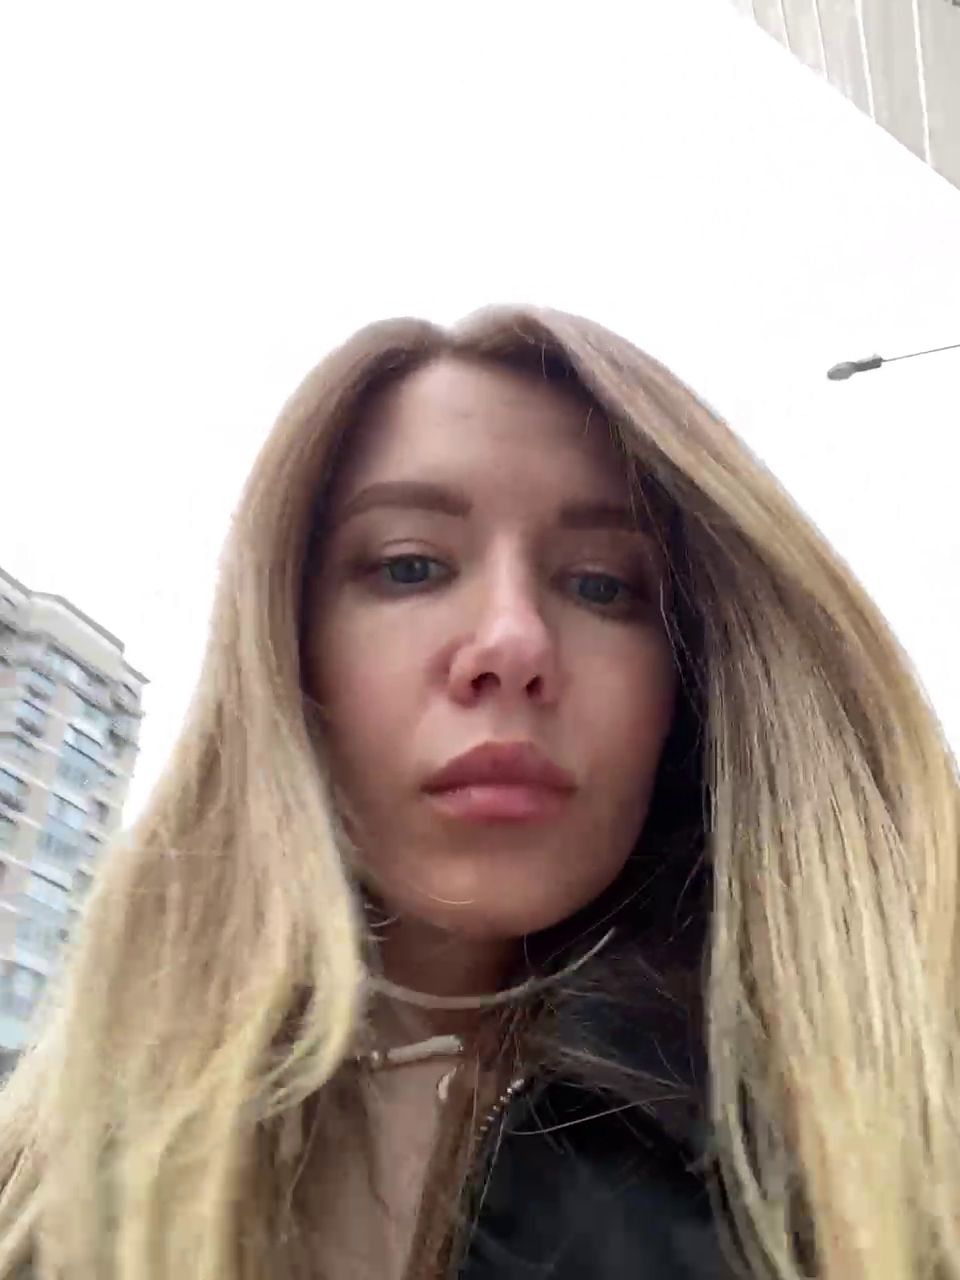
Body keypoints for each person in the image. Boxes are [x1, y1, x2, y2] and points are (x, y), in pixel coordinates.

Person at [0, 306, 957, 1280]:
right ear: (289, 649)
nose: (511, 642)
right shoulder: (46, 1183)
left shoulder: (876, 1166)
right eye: (411, 566)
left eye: (602, 586)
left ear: (691, 678)